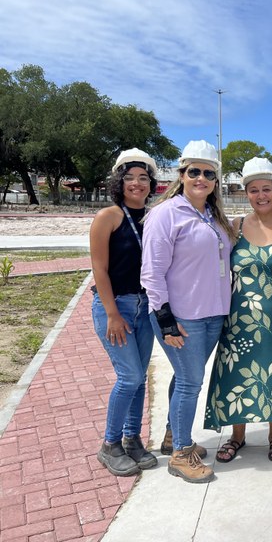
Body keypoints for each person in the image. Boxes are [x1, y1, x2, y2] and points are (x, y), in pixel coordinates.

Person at [141, 140, 237, 483]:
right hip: (181, 318)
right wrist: (165, 319)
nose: (201, 177)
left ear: (215, 179)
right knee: (190, 383)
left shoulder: (213, 216)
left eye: (208, 172)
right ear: (181, 175)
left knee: (185, 379)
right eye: (193, 171)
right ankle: (181, 453)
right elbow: (151, 272)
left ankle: (172, 435)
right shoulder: (165, 214)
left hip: (213, 314)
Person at [204, 157, 272, 463]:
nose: (261, 195)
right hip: (239, 318)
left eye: (266, 189)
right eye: (254, 190)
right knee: (236, 375)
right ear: (247, 193)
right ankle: (237, 435)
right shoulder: (235, 226)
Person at [91, 148, 158, 477]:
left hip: (145, 307)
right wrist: (113, 313)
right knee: (129, 376)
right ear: (119, 182)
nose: (137, 183)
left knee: (140, 378)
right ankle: (109, 444)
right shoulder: (109, 216)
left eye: (143, 178)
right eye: (129, 178)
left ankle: (133, 440)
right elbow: (99, 269)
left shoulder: (152, 217)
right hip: (116, 306)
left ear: (151, 184)